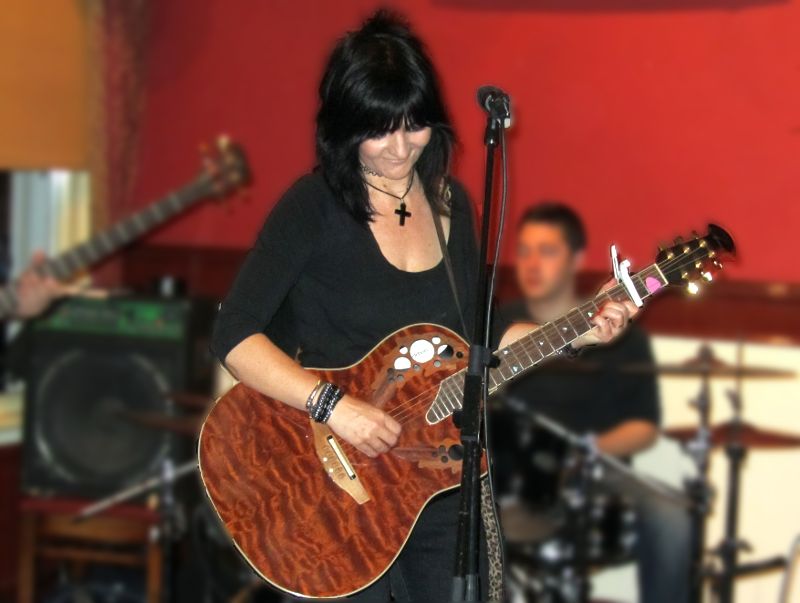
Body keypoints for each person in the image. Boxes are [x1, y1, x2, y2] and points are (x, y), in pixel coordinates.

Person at [210, 12, 635, 602]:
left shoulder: (452, 205)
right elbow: (232, 334)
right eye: (379, 131)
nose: (401, 148)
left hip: (435, 480)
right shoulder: (311, 208)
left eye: (414, 127)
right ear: (343, 128)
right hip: (336, 482)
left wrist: (578, 333)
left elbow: (476, 339)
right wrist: (335, 406)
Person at [492, 202, 691, 603]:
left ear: (576, 258)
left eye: (547, 251)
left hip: (592, 470)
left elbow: (643, 425)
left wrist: (587, 454)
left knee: (672, 517)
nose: (532, 263)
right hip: (508, 473)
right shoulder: (500, 322)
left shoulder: (618, 329)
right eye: (525, 250)